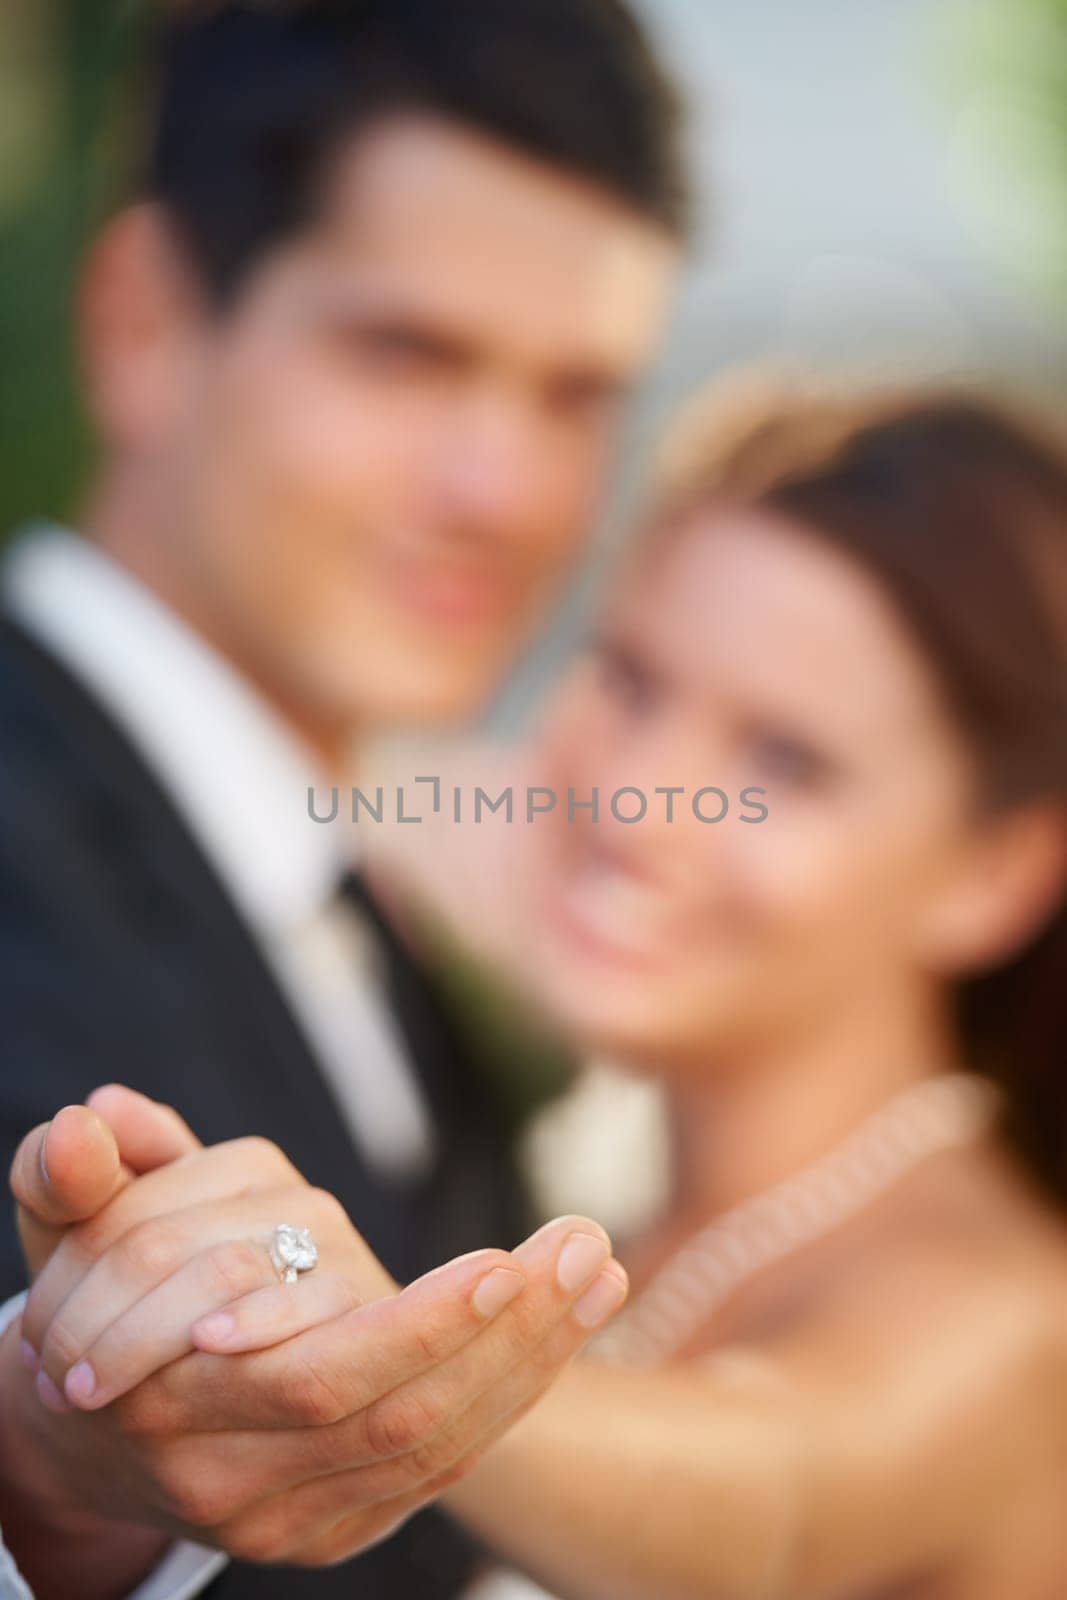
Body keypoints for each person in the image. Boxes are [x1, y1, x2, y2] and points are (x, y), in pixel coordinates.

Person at [28, 382, 1067, 1599]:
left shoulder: (1011, 1315)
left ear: (995, 871)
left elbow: (772, 1511)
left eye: (784, 759)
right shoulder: (565, 1208)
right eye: (627, 679)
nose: (637, 795)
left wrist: (379, 1356)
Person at [0, 1, 684, 1596]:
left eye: (575, 396)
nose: (499, 492)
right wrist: (39, 1486)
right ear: (146, 324)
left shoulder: (371, 918)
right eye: (406, 355)